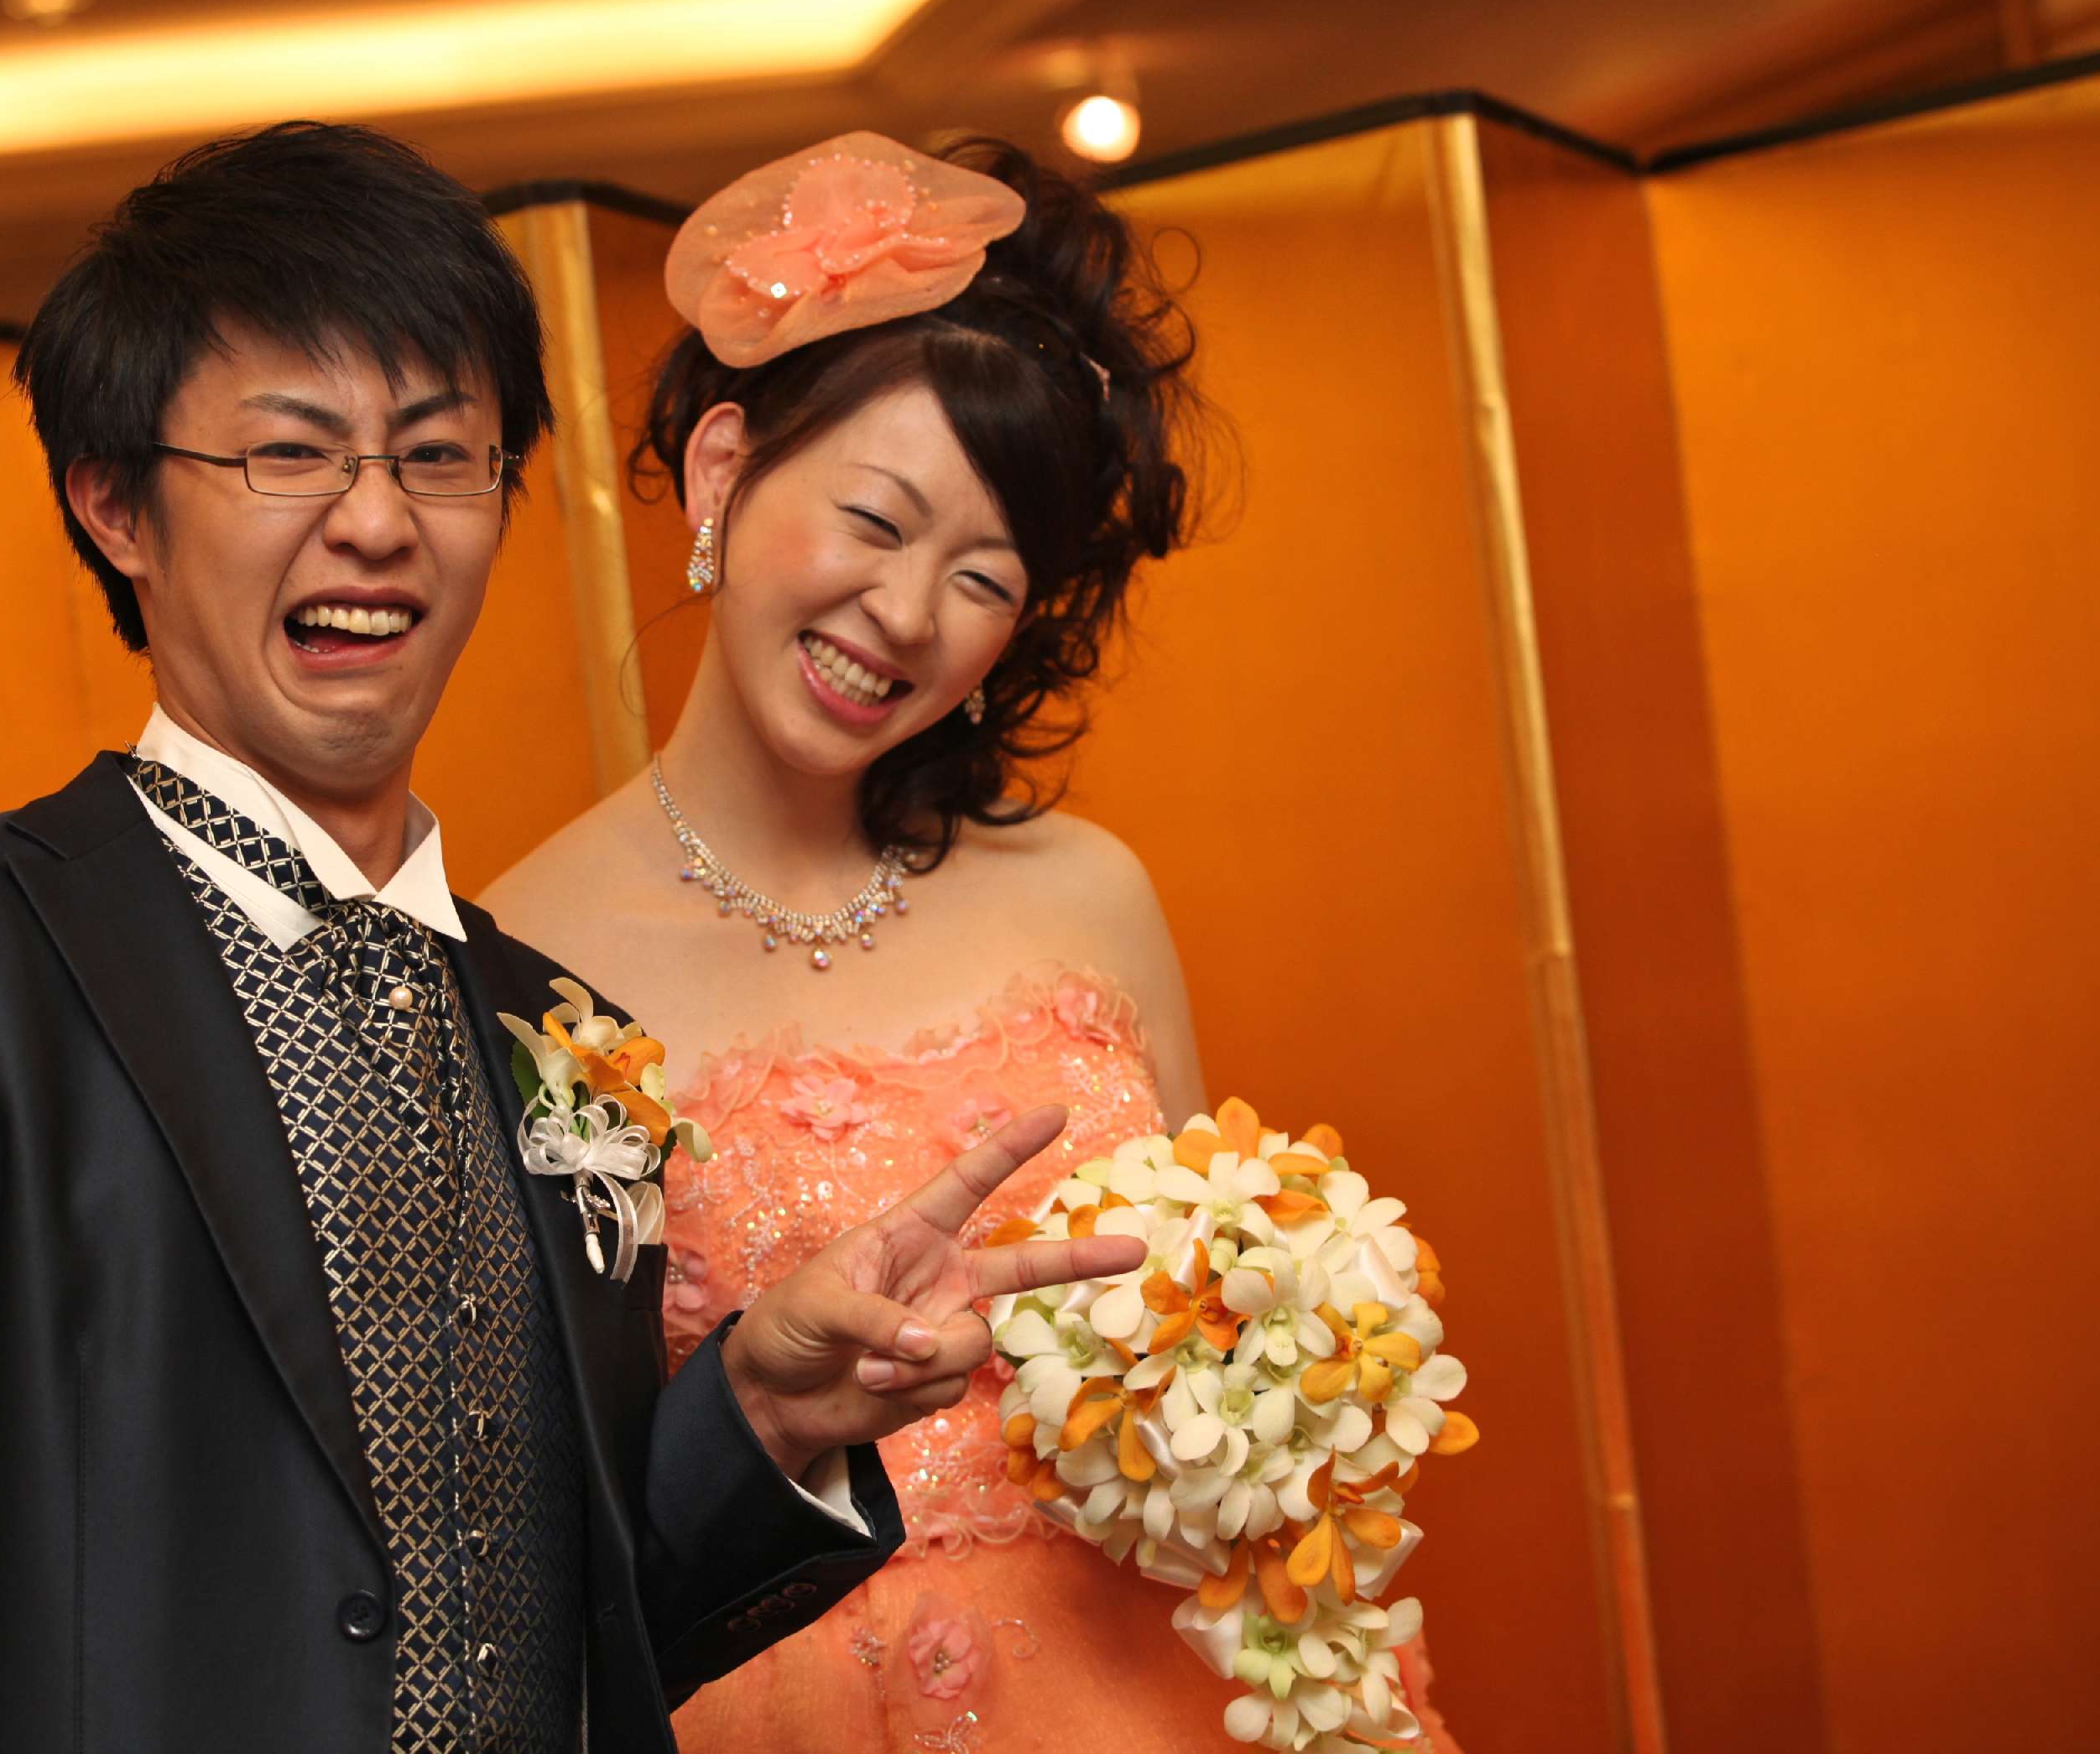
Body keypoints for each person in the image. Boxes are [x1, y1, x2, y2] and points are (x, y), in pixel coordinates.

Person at [0, 121, 1142, 1753]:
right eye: (288, 453)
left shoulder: (559, 1026)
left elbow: (569, 1622)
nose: (375, 522)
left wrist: (761, 1412)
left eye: (439, 456)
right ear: (115, 503)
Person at [482, 133, 1459, 1749]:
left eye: (979, 577)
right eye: (871, 519)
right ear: (721, 471)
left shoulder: (1086, 895)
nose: (904, 613)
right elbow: (537, 1526)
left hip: (1167, 1690)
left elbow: (1209, 1300)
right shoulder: (521, 965)